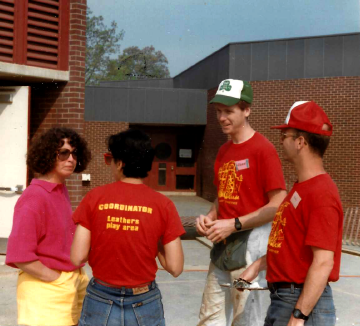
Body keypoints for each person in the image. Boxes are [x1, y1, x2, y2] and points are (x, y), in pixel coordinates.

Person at [239, 101, 343, 326]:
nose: (281, 140)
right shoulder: (301, 188)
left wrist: (298, 317)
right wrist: (257, 266)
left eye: (285, 135)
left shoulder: (321, 193)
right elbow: (292, 247)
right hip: (286, 299)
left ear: (300, 142)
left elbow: (323, 262)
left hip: (301, 303)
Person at [71, 128, 185, 326]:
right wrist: (154, 242)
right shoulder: (163, 205)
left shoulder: (94, 198)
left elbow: (77, 257)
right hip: (144, 301)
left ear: (120, 163)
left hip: (101, 298)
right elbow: (175, 267)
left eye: (109, 159)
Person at [196, 79, 287, 326]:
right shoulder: (224, 151)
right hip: (223, 248)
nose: (222, 117)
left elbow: (278, 203)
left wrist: (234, 224)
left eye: (229, 111)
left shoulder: (263, 149)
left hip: (251, 248)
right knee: (208, 319)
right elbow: (222, 194)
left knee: (246, 320)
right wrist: (210, 216)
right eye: (218, 111)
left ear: (246, 110)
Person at [6, 127, 91, 326]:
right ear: (47, 154)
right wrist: (57, 279)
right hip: (47, 289)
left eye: (74, 153)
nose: (71, 159)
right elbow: (20, 256)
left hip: (71, 281)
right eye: (63, 153)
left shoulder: (60, 190)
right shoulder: (34, 196)